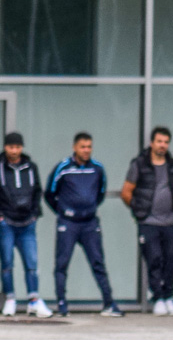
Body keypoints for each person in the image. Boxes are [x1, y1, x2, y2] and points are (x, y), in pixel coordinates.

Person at [45, 132, 125, 317]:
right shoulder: (63, 168)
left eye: (89, 147)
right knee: (62, 264)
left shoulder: (97, 168)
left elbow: (101, 193)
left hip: (89, 223)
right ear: (74, 147)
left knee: (98, 262)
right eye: (83, 147)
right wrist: (63, 211)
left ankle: (109, 303)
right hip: (68, 223)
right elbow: (49, 193)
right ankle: (62, 304)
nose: (86, 150)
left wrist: (89, 208)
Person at [0, 132, 50, 318]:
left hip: (27, 222)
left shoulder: (31, 167)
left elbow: (37, 190)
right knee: (7, 262)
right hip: (5, 222)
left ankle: (34, 300)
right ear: (5, 147)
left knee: (32, 263)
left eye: (18, 147)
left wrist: (35, 213)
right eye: (11, 147)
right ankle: (10, 299)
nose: (14, 150)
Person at [122, 126, 173, 315]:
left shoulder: (172, 164)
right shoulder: (139, 164)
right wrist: (139, 211)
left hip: (170, 222)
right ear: (152, 143)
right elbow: (126, 192)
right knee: (154, 259)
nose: (162, 145)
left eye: (166, 142)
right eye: (159, 141)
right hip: (148, 223)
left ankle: (169, 296)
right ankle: (158, 298)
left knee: (171, 260)